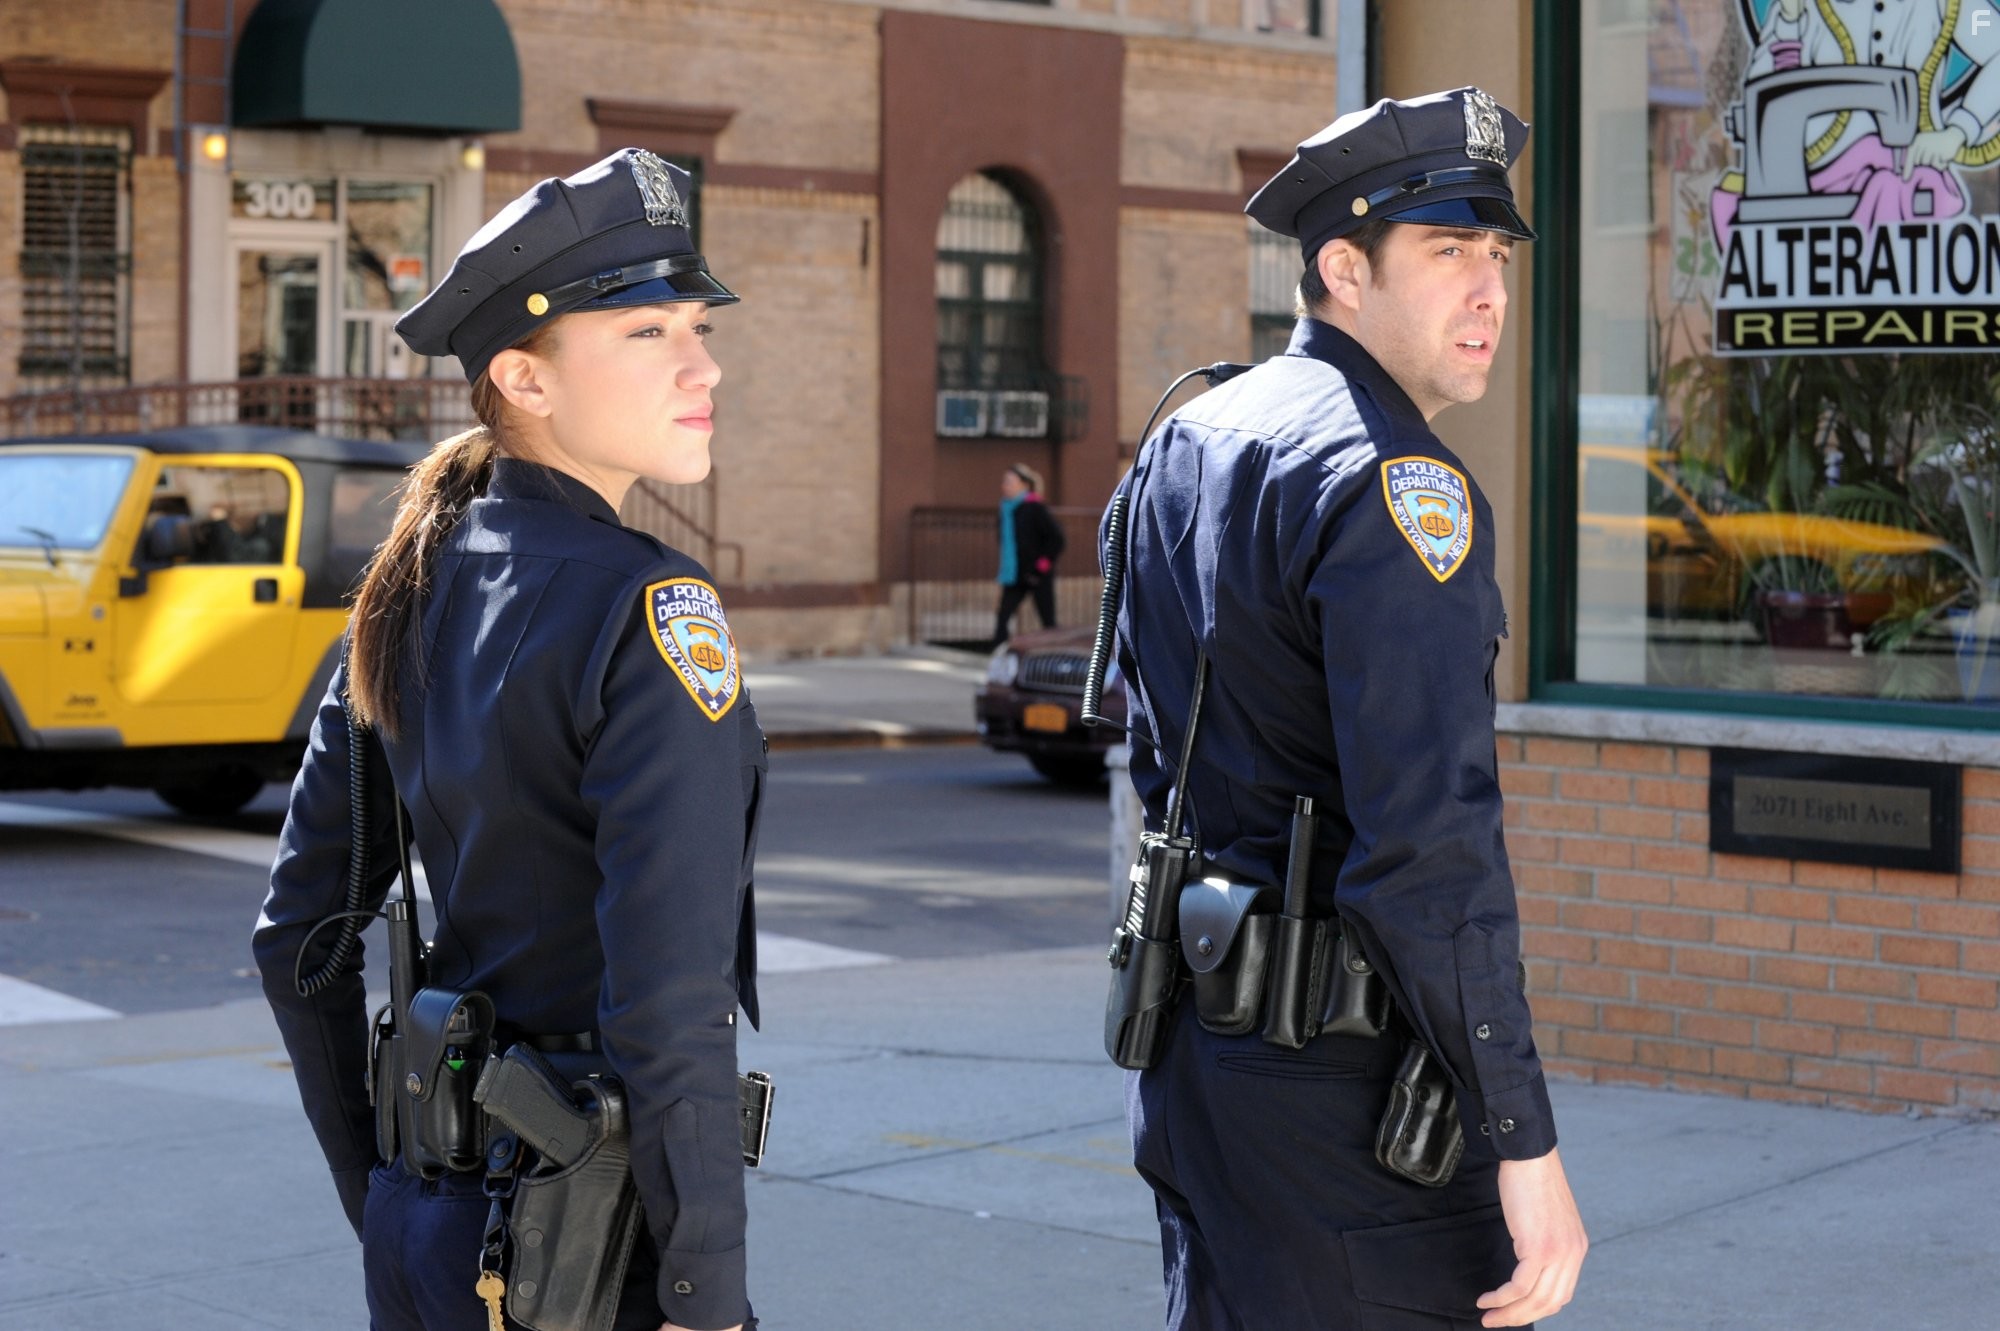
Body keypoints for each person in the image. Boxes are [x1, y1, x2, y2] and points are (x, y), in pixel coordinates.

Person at [253, 148, 763, 1331]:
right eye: (647, 334)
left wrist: (384, 1189)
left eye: (694, 324)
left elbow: (298, 944)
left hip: (433, 1224)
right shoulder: (648, 607)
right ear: (523, 379)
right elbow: (666, 998)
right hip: (591, 1250)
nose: (703, 364)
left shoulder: (408, 585)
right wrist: (704, 1292)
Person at [1110, 88, 1587, 1329]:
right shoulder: (1392, 481)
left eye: (1495, 253)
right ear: (1341, 268)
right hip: (1347, 1107)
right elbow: (1430, 850)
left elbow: (1149, 746)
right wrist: (1519, 1137)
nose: (1487, 289)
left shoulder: (1193, 430)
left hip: (1197, 1062)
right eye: (1446, 251)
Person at [993, 462, 1065, 646]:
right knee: (1003, 618)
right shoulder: (1007, 510)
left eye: (1010, 482)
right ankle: (999, 659)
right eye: (1004, 482)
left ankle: (1055, 657)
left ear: (1024, 485)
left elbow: (1057, 539)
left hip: (1037, 574)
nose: (1005, 486)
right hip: (1015, 574)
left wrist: (1041, 565)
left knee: (1047, 621)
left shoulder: (1035, 508)